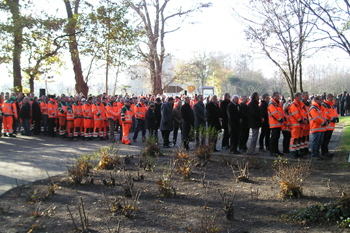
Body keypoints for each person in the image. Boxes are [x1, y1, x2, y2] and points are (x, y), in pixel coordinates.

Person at [288, 92, 308, 158]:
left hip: (299, 124)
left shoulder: (299, 105)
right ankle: (292, 152)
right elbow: (296, 115)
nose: (301, 98)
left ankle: (296, 151)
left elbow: (302, 114)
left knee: (298, 139)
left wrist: (304, 119)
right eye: (299, 97)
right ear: (296, 97)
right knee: (294, 138)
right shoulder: (293, 105)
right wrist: (302, 120)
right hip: (295, 124)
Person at [309, 96, 328, 160]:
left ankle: (317, 154)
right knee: (316, 142)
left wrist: (325, 121)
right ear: (316, 100)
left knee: (319, 142)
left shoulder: (319, 107)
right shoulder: (314, 108)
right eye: (320, 100)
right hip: (316, 128)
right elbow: (316, 118)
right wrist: (323, 123)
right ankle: (314, 155)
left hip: (320, 128)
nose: (321, 101)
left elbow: (323, 116)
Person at [267, 92, 285, 157]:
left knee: (276, 138)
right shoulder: (272, 104)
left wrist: (283, 118)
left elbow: (281, 112)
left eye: (279, 96)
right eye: (277, 96)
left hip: (278, 123)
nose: (278, 97)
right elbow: (274, 113)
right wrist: (280, 119)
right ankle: (272, 151)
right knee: (274, 138)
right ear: (274, 96)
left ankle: (276, 150)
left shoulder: (277, 103)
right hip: (274, 123)